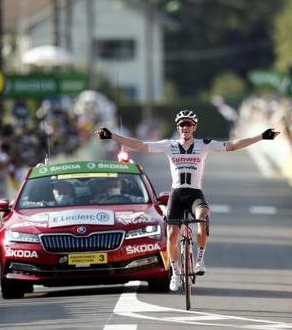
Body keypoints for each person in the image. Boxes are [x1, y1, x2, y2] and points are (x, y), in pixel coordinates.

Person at [95, 109, 279, 291]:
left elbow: (232, 146)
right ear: (178, 127)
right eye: (182, 124)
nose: (185, 127)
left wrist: (261, 136)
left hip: (195, 194)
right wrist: (112, 136)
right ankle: (175, 273)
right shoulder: (169, 145)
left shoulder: (203, 145)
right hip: (177, 194)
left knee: (203, 214)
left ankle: (199, 260)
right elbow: (141, 145)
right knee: (172, 234)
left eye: (188, 124)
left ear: (194, 127)